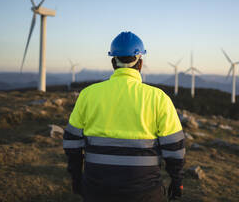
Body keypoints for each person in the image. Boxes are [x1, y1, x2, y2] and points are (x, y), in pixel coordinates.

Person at [63, 31, 185, 202]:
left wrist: (76, 178)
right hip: (145, 192)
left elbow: (71, 143)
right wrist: (177, 180)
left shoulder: (87, 95)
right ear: (140, 63)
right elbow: (175, 148)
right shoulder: (159, 98)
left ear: (113, 62)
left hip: (96, 188)